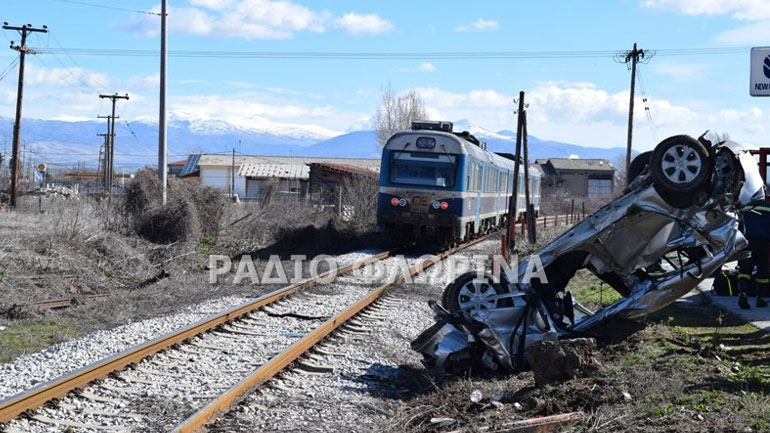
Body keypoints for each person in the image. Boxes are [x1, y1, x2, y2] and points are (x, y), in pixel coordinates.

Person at [737, 200, 770, 309]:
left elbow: (738, 225)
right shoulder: (768, 207)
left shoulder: (744, 207)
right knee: (763, 272)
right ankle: (760, 299)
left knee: (744, 271)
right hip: (764, 242)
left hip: (746, 242)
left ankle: (743, 293)